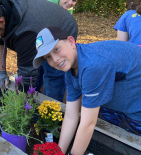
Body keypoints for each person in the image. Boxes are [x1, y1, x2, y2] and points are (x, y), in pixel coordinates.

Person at [33, 26, 141, 155]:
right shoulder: (71, 67)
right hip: (116, 103)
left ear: (71, 42)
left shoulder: (92, 66)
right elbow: (71, 116)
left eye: (56, 49)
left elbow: (88, 123)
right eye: (48, 57)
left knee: (124, 146)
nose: (55, 59)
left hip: (136, 107)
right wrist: (59, 152)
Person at [0, 0, 78, 97]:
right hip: (43, 23)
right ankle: (36, 95)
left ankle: (52, 108)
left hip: (63, 28)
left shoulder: (25, 32)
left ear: (1, 22)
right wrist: (1, 71)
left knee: (52, 74)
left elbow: (26, 72)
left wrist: (22, 97)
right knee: (36, 69)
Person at [37, 0, 80, 97]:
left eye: (74, 1)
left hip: (49, 44)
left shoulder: (67, 12)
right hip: (37, 39)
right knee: (40, 73)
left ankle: (48, 105)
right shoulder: (48, 4)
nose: (70, 2)